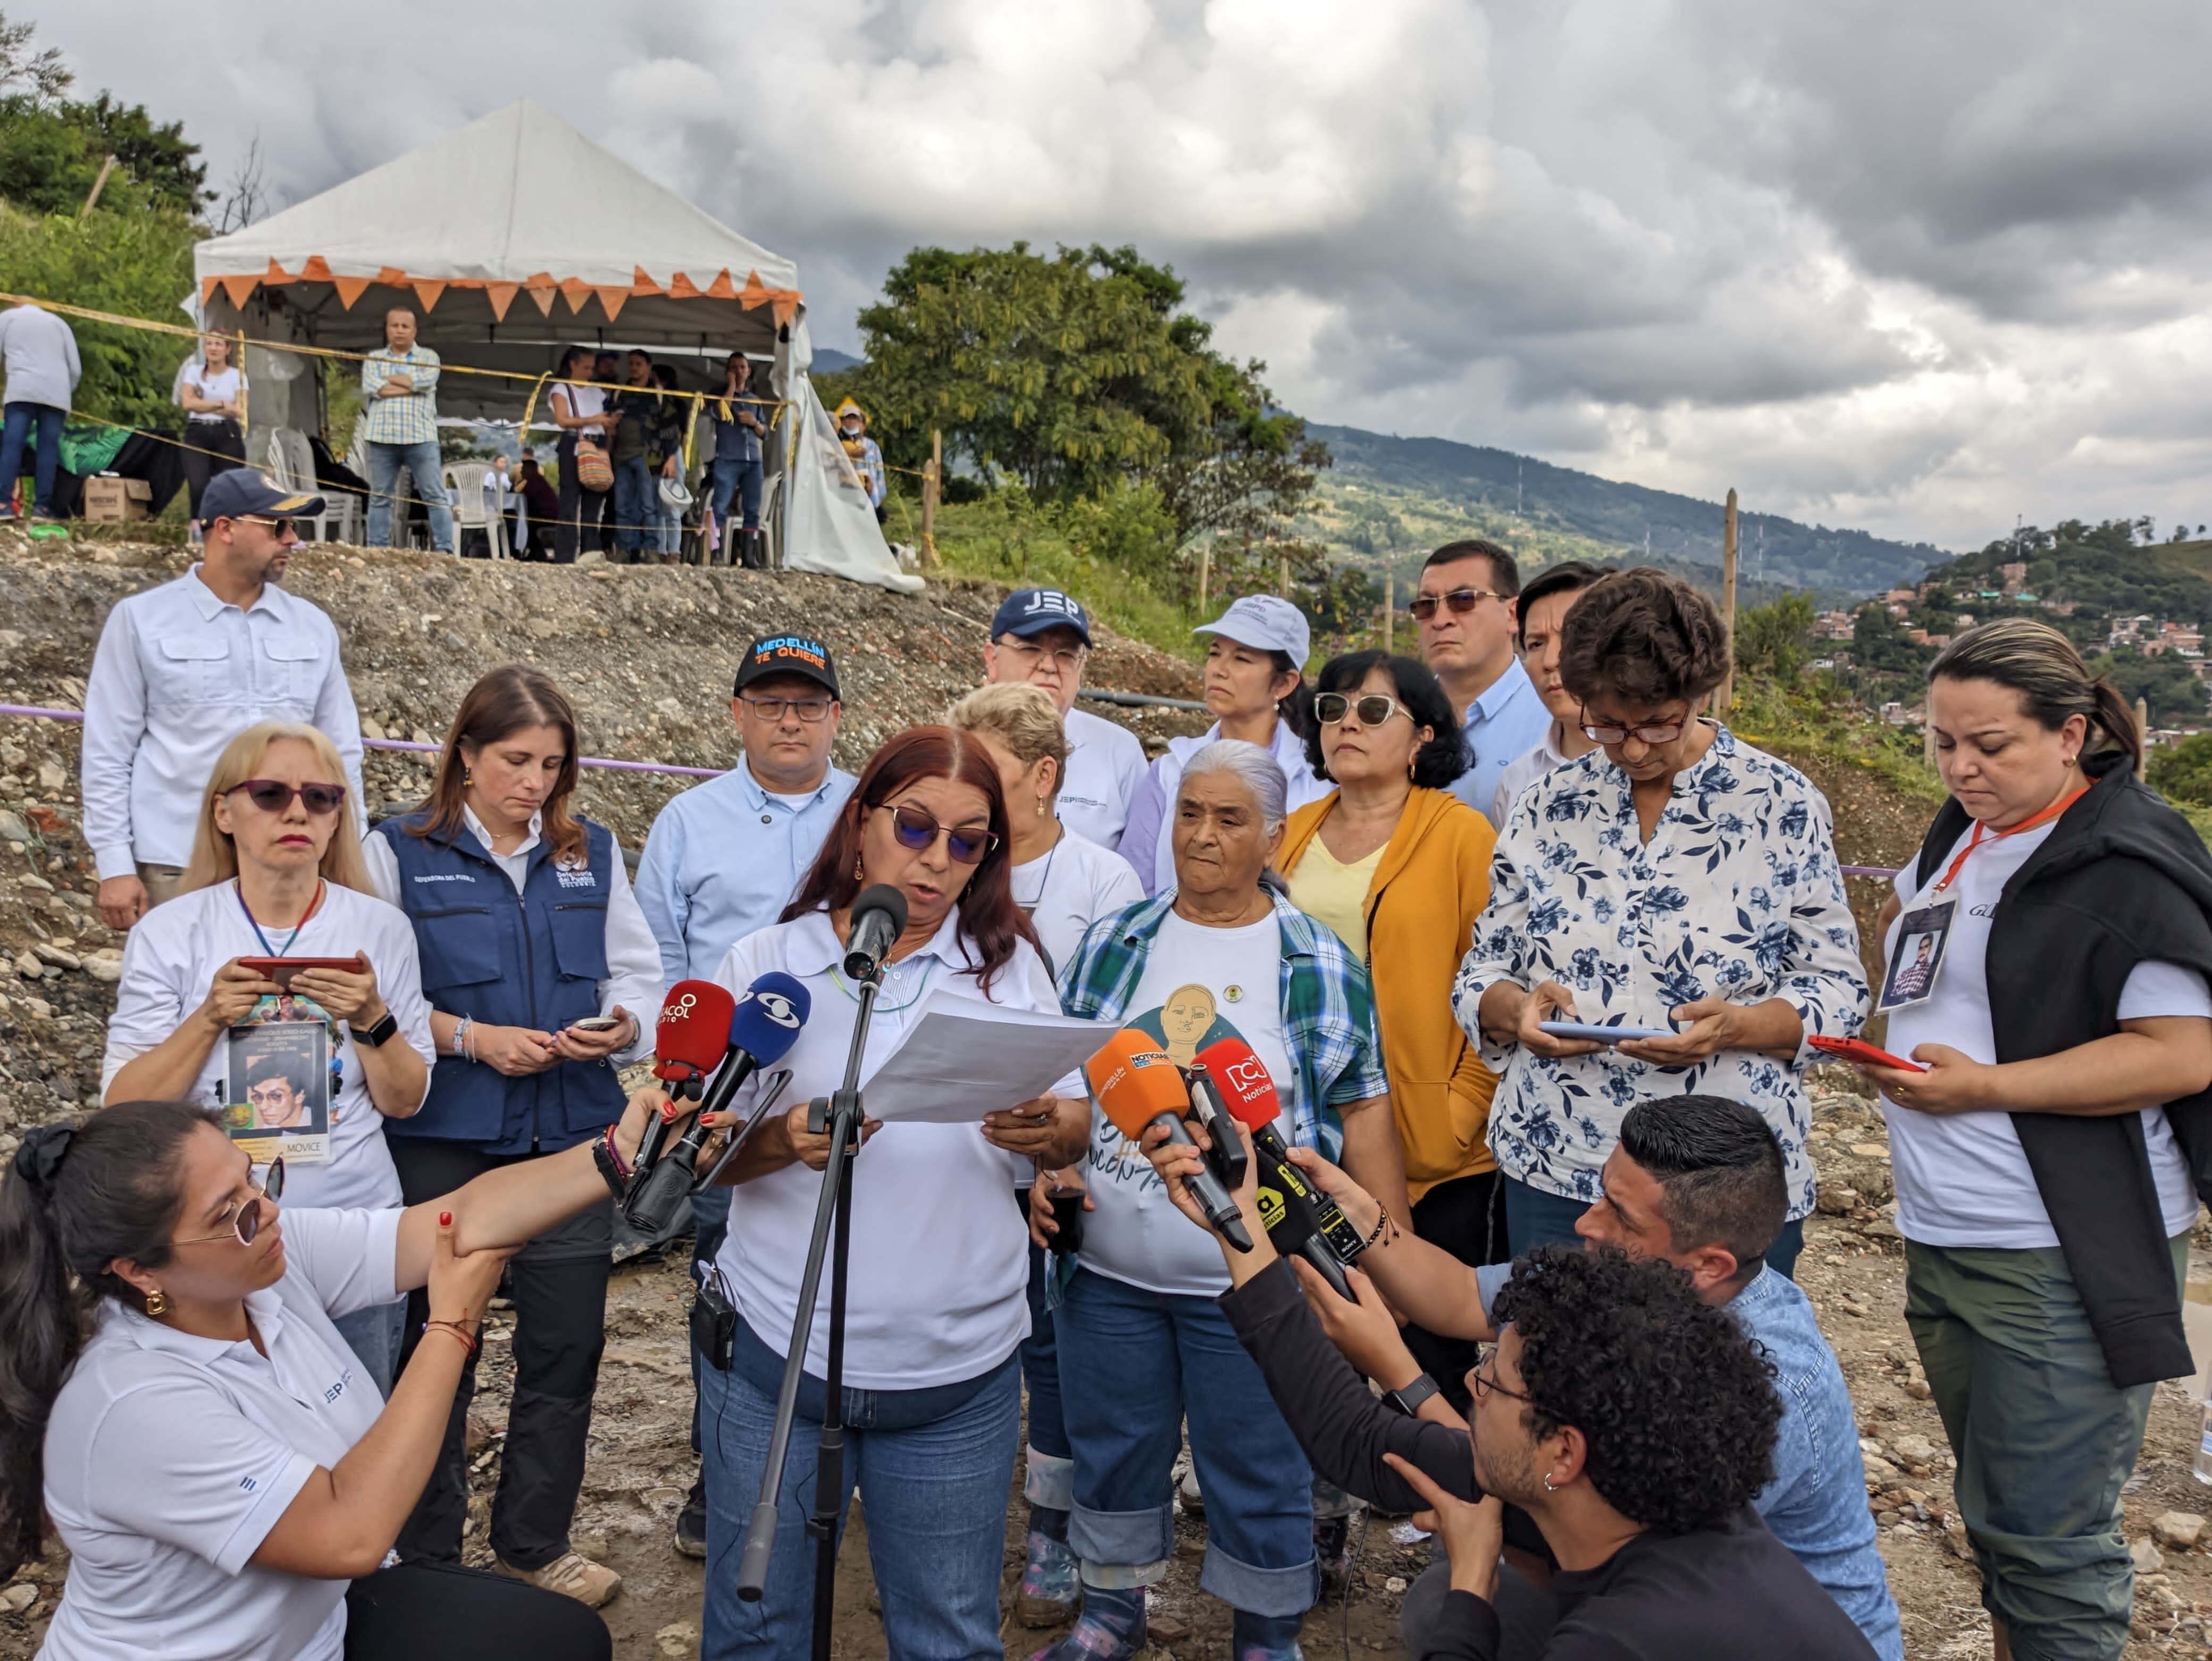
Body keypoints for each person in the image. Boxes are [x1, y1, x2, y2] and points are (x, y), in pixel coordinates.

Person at [1138, 1113, 1880, 1661]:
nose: (1471, 1380)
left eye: (1491, 1378)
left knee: (1457, 1602)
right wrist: (1267, 1224)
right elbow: (1361, 1433)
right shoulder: (1616, 1338)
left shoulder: (1625, 1631)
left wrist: (1470, 1573)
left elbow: (1451, 1468)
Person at [1830, 619, 2212, 1661]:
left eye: (1987, 743)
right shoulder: (1961, 827)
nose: (1960, 765)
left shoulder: (2123, 856)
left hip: (2054, 1250)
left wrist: (1986, 1087)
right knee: (1998, 1517)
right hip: (1944, 1230)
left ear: (2070, 732)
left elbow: (2180, 1053)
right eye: (1942, 741)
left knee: (2050, 1542)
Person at [0, 1092, 681, 1659]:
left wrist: (618, 1154)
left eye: (254, 1179)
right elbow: (350, 1532)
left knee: (563, 1640)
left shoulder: (262, 1270)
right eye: (229, 1214)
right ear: (138, 1270)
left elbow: (456, 1223)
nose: (265, 1213)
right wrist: (449, 1328)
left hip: (312, 1632)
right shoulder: (134, 1403)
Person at [691, 725, 1091, 1659]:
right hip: (776, 1368)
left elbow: (1072, 1124)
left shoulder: (1009, 968)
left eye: (968, 840)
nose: (937, 860)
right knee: (756, 1627)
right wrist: (786, 1139)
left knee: (948, 1634)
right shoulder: (769, 964)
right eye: (915, 826)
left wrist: (1051, 1134)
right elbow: (700, 1151)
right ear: (864, 819)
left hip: (957, 1376)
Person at [1041, 739, 1409, 1660]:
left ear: (1274, 836)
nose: (1201, 836)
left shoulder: (1319, 959)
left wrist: (1380, 1253)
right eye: (1189, 813)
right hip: (1111, 1270)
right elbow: (1067, 1089)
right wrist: (1053, 1164)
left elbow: (1362, 1110)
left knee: (1259, 1458)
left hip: (1256, 1281)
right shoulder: (1115, 938)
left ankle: (1266, 1634)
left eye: (1229, 818)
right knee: (1114, 1445)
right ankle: (1110, 1612)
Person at [1456, 567, 1869, 1269]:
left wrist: (1738, 1026)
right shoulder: (1544, 805)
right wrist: (1519, 1009)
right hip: (1561, 1166)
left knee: (1712, 1374)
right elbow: (1482, 971)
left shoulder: (1780, 802)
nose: (1636, 748)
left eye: (1658, 723)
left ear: (1701, 693)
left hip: (1719, 1187)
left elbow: (1839, 992)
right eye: (1608, 724)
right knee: (1557, 1370)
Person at [363, 665, 662, 1609]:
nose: (534, 781)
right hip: (444, 1138)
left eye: (552, 763)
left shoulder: (593, 852)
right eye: (515, 759)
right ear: (465, 752)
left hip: (572, 1139)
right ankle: (428, 1556)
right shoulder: (394, 852)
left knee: (565, 1347)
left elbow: (641, 975)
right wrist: (472, 1038)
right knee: (434, 1347)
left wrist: (623, 1025)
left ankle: (536, 1541)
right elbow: (373, 1005)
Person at [101, 718, 435, 1392]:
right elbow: (122, 1109)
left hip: (352, 1225)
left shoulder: (380, 929)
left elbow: (406, 1099)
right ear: (223, 810)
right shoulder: (173, 931)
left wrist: (371, 1018)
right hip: (215, 1237)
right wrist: (209, 1020)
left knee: (353, 1441)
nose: (297, 812)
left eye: (320, 798)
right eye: (270, 793)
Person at [635, 632, 858, 1558]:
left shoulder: (874, 814)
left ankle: (848, 1463)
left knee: (852, 1275)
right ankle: (722, 1461)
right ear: (737, 715)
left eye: (808, 703)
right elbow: (654, 963)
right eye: (770, 702)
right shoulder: (687, 821)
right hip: (726, 1105)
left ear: (837, 717)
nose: (791, 719)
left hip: (849, 1098)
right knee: (725, 1287)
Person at [943, 680, 1143, 1625]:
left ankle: (1054, 1528)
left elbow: (1115, 1031)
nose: (966, 790)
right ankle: (951, 1503)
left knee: (1059, 1348)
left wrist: (1068, 1147)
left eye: (988, 771)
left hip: (1063, 1151)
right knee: (969, 1330)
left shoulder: (1103, 882)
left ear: (1047, 775)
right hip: (955, 1151)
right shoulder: (950, 865)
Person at [1277, 650, 1502, 1400]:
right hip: (1308, 1124)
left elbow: (1495, 981)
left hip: (1434, 1139)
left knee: (1430, 1336)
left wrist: (1462, 1106)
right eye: (1333, 709)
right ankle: (1327, 1490)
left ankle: (1441, 1501)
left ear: (1421, 738)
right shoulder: (1290, 833)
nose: (1347, 723)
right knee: (1317, 1322)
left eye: (1374, 710)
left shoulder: (1463, 835)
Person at [83, 469, 367, 931]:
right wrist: (115, 863)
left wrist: (351, 853)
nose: (293, 540)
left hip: (291, 863)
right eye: (278, 527)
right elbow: (108, 751)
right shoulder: (140, 620)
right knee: (180, 1001)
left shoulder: (312, 626)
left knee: (287, 1003)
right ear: (225, 528)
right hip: (178, 862)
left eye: (295, 527)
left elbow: (341, 752)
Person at [1119, 595, 1330, 894]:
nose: (1219, 669)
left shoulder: (1317, 781)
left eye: (1241, 659)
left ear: (1284, 684)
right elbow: (1134, 885)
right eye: (1215, 653)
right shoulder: (1171, 771)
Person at [982, 588, 1151, 853]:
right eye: (1030, 648)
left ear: (1081, 667)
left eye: (1066, 654)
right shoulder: (958, 746)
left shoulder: (1120, 752)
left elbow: (1143, 870)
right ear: (992, 659)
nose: (1049, 666)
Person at [1411, 540, 1552, 824]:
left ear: (1512, 614)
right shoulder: (1396, 716)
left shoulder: (1553, 722)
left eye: (1462, 600)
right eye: (1427, 606)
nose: (1440, 621)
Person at [1488, 561, 1607, 828]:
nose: (1551, 660)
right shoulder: (1517, 785)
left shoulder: (1671, 767)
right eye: (1536, 644)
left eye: (1573, 637)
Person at [358, 307, 454, 553]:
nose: (400, 330)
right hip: (382, 436)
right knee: (380, 497)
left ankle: (445, 549)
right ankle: (377, 549)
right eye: (395, 326)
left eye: (405, 326)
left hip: (421, 436)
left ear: (414, 331)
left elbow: (426, 382)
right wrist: (411, 385)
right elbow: (373, 387)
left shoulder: (429, 356)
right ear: (387, 329)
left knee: (434, 495)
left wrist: (389, 380)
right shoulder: (374, 358)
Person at [0, 299, 79, 522]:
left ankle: (4, 503)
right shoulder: (60, 323)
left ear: (17, 305)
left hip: (22, 390)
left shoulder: (8, 318)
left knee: (13, 444)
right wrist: (65, 391)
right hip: (57, 394)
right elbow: (75, 368)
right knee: (48, 450)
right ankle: (42, 509)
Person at [547, 346, 615, 565]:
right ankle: (565, 555)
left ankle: (590, 553)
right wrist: (593, 419)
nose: (589, 372)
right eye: (585, 367)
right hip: (573, 444)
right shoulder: (561, 389)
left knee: (593, 505)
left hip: (598, 445)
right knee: (569, 502)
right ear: (573, 365)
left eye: (591, 368)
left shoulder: (598, 392)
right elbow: (563, 420)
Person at [710, 351, 769, 569]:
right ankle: (715, 553)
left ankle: (749, 556)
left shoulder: (755, 400)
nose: (738, 371)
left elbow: (765, 433)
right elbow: (718, 412)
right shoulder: (720, 395)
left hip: (753, 461)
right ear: (728, 372)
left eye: (742, 367)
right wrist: (731, 388)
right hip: (728, 458)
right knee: (720, 506)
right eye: (734, 367)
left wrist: (754, 423)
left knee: (753, 508)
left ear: (749, 371)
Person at [178, 333, 248, 519]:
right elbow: (187, 403)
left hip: (227, 432)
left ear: (227, 349)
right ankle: (199, 527)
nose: (213, 348)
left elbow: (239, 410)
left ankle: (228, 526)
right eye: (209, 344)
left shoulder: (237, 376)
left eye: (218, 344)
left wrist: (203, 404)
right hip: (197, 431)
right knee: (198, 484)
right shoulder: (194, 372)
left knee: (229, 485)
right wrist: (220, 404)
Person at [604, 349, 663, 565]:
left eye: (639, 364)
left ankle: (651, 549)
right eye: (631, 364)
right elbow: (609, 422)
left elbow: (670, 425)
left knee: (649, 505)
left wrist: (672, 457)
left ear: (648, 367)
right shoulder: (621, 392)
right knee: (622, 506)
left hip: (648, 456)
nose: (634, 368)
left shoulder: (657, 393)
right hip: (621, 456)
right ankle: (624, 549)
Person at [647, 363, 691, 562]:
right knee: (656, 507)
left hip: (673, 453)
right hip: (654, 454)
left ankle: (674, 551)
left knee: (671, 504)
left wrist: (671, 455)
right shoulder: (651, 403)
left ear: (662, 382)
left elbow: (681, 434)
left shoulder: (678, 404)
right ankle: (660, 550)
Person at [835, 398, 887, 522]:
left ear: (863, 425)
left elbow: (879, 470)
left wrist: (879, 493)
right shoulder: (838, 442)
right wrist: (850, 453)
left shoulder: (872, 446)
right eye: (849, 419)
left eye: (856, 420)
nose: (853, 423)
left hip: (870, 495)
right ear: (842, 421)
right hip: (848, 493)